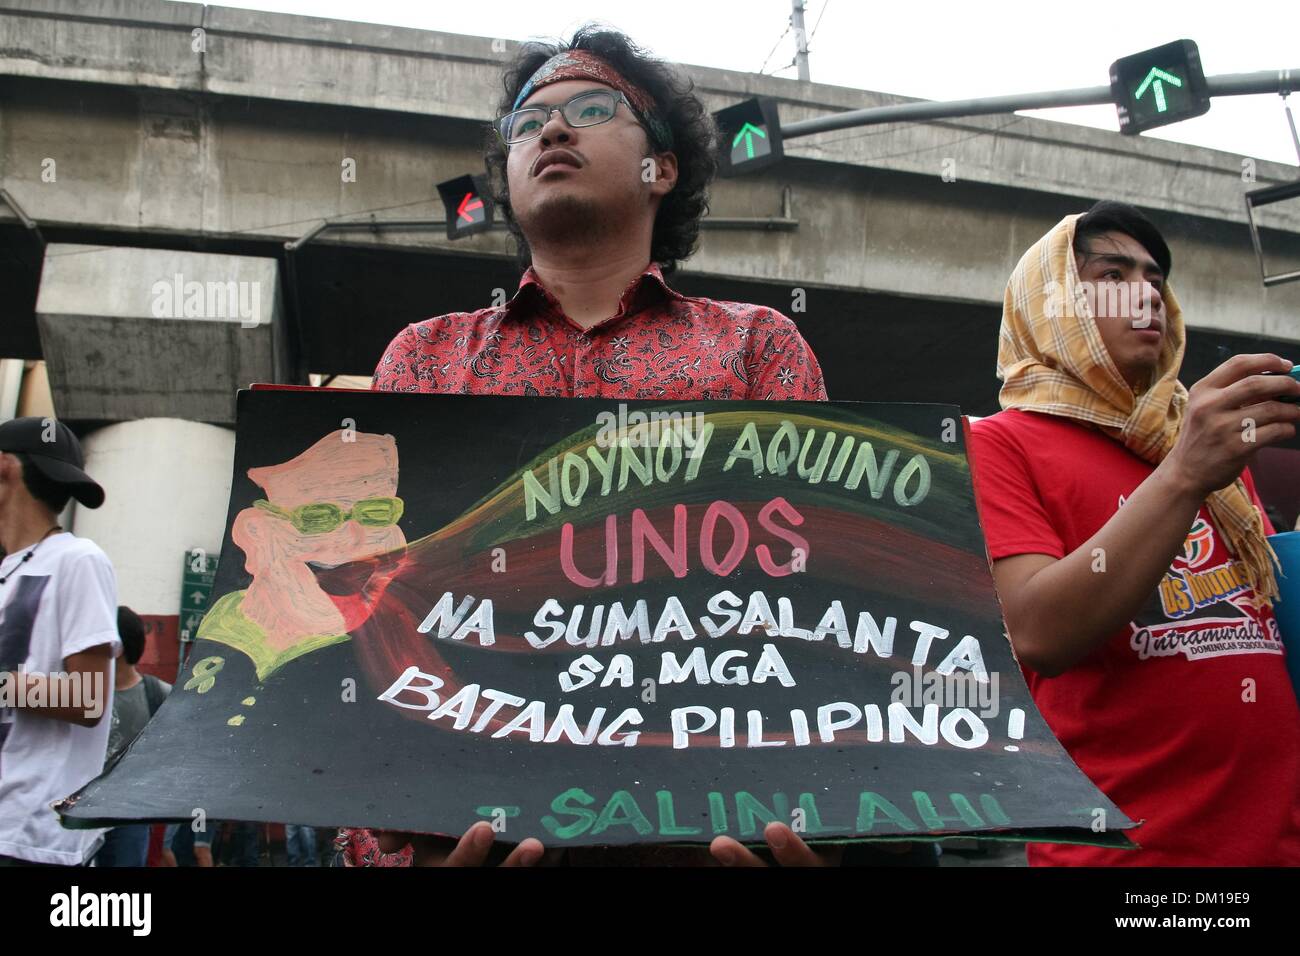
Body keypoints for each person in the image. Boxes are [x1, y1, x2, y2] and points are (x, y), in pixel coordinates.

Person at [364, 24, 832, 867]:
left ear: (664, 167)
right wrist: (391, 839)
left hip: (705, 825)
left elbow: (814, 590)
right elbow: (382, 606)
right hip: (475, 820)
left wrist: (823, 822)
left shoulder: (759, 348)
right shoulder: (422, 359)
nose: (549, 130)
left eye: (590, 108)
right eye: (526, 121)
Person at [969, 201, 1300, 865]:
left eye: (1155, 277)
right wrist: (1184, 474)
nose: (1146, 292)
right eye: (1113, 274)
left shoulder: (1207, 450)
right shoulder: (999, 444)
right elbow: (1039, 634)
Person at [0, 416, 120, 866]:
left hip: (30, 834)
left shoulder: (78, 559)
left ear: (4, 466)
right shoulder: (10, 570)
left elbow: (89, 699)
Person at [93, 606, 171, 867]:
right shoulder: (79, 697)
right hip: (83, 815)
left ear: (118, 647)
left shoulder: (158, 694)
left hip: (130, 819)